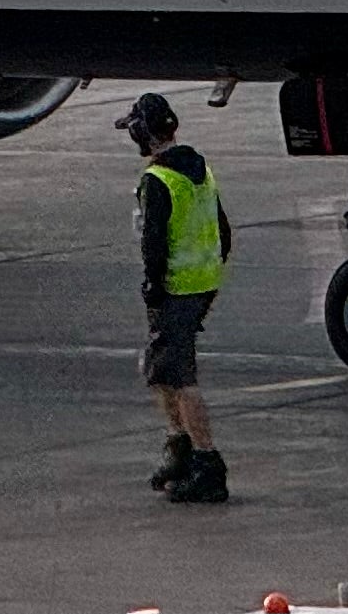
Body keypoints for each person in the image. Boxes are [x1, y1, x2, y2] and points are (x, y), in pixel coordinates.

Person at [124, 90, 231, 503]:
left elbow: (153, 242)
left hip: (175, 288)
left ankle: (206, 462)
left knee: (181, 378)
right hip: (202, 283)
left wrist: (153, 287)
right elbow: (223, 230)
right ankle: (179, 446)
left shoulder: (157, 180)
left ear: (141, 134)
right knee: (159, 368)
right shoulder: (201, 170)